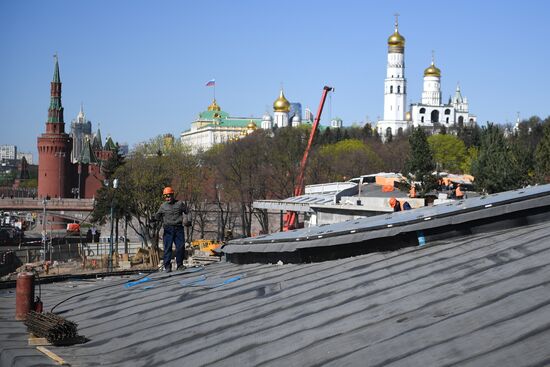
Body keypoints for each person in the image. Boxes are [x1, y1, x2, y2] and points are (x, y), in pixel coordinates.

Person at [154, 187, 191, 273]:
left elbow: (188, 212)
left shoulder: (180, 204)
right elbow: (157, 215)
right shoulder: (163, 206)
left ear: (172, 195)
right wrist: (153, 219)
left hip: (178, 229)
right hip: (168, 230)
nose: (168, 198)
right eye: (166, 196)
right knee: (167, 248)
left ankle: (180, 265)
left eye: (169, 196)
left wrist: (188, 220)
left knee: (180, 247)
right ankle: (167, 266)